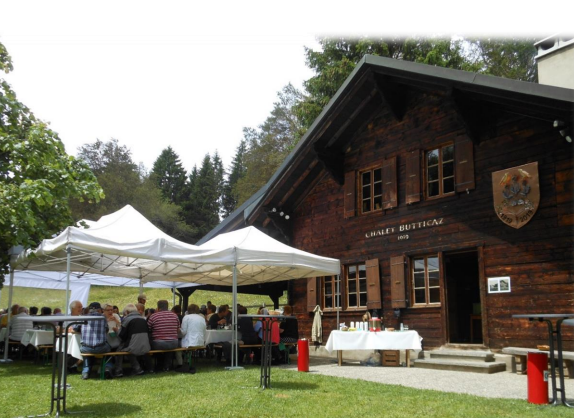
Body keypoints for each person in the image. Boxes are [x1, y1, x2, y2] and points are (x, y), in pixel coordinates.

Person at [72, 302, 112, 380]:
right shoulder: (103, 318)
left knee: (86, 350)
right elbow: (106, 330)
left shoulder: (83, 317)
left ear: (89, 309)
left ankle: (85, 371)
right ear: (99, 309)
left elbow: (75, 328)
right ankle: (106, 368)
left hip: (86, 348)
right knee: (110, 348)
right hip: (101, 347)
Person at [112, 304, 150, 377]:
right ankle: (137, 368)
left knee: (120, 350)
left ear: (127, 312)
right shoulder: (143, 319)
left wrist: (116, 331)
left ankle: (118, 370)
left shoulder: (127, 319)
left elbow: (122, 335)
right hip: (146, 346)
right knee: (128, 349)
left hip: (133, 346)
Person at [147, 300, 180, 372]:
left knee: (153, 343)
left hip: (158, 343)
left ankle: (159, 364)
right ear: (167, 306)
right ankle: (166, 366)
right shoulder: (175, 316)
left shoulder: (153, 316)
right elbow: (178, 329)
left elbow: (148, 329)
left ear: (158, 307)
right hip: (174, 343)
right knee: (169, 347)